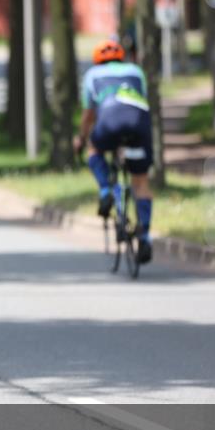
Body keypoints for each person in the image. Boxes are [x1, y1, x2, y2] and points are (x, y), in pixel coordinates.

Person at [75, 38, 154, 264]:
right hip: (138, 124)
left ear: (97, 61)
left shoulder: (92, 75)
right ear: (122, 58)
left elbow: (88, 114)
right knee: (141, 183)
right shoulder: (136, 71)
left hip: (109, 123)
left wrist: (80, 139)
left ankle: (106, 191)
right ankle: (145, 236)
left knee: (94, 150)